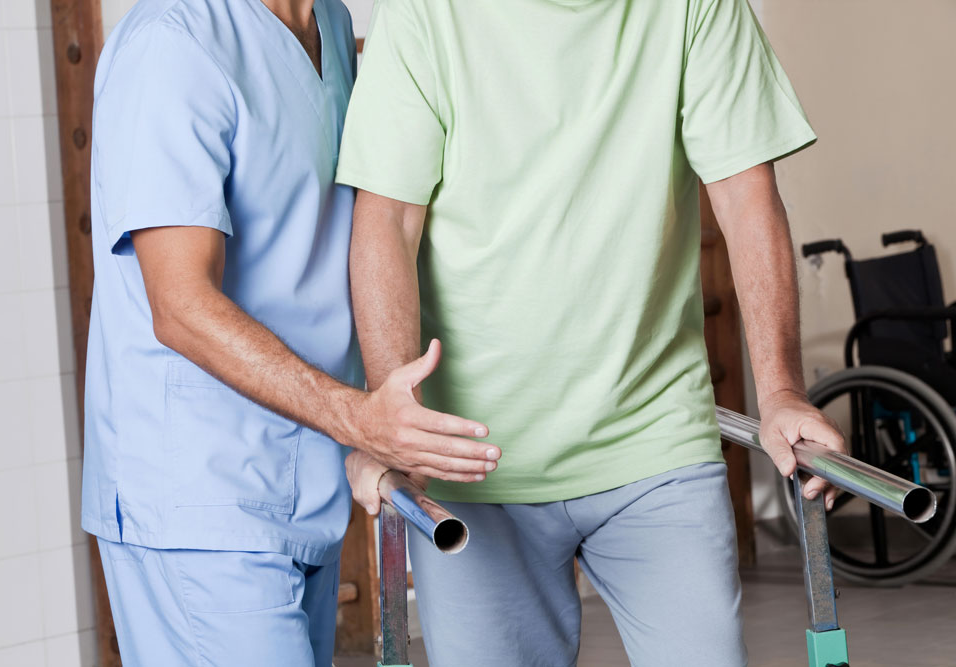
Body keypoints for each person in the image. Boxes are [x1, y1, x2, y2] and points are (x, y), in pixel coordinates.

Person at [338, 1, 845, 665]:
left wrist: (780, 389)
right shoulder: (427, 12)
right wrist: (392, 410)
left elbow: (747, 199)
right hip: (472, 459)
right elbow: (389, 219)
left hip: (653, 440)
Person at [80, 0, 502, 664]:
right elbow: (181, 304)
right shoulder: (171, 41)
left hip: (304, 483)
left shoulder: (328, 22)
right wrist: (357, 417)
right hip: (197, 498)